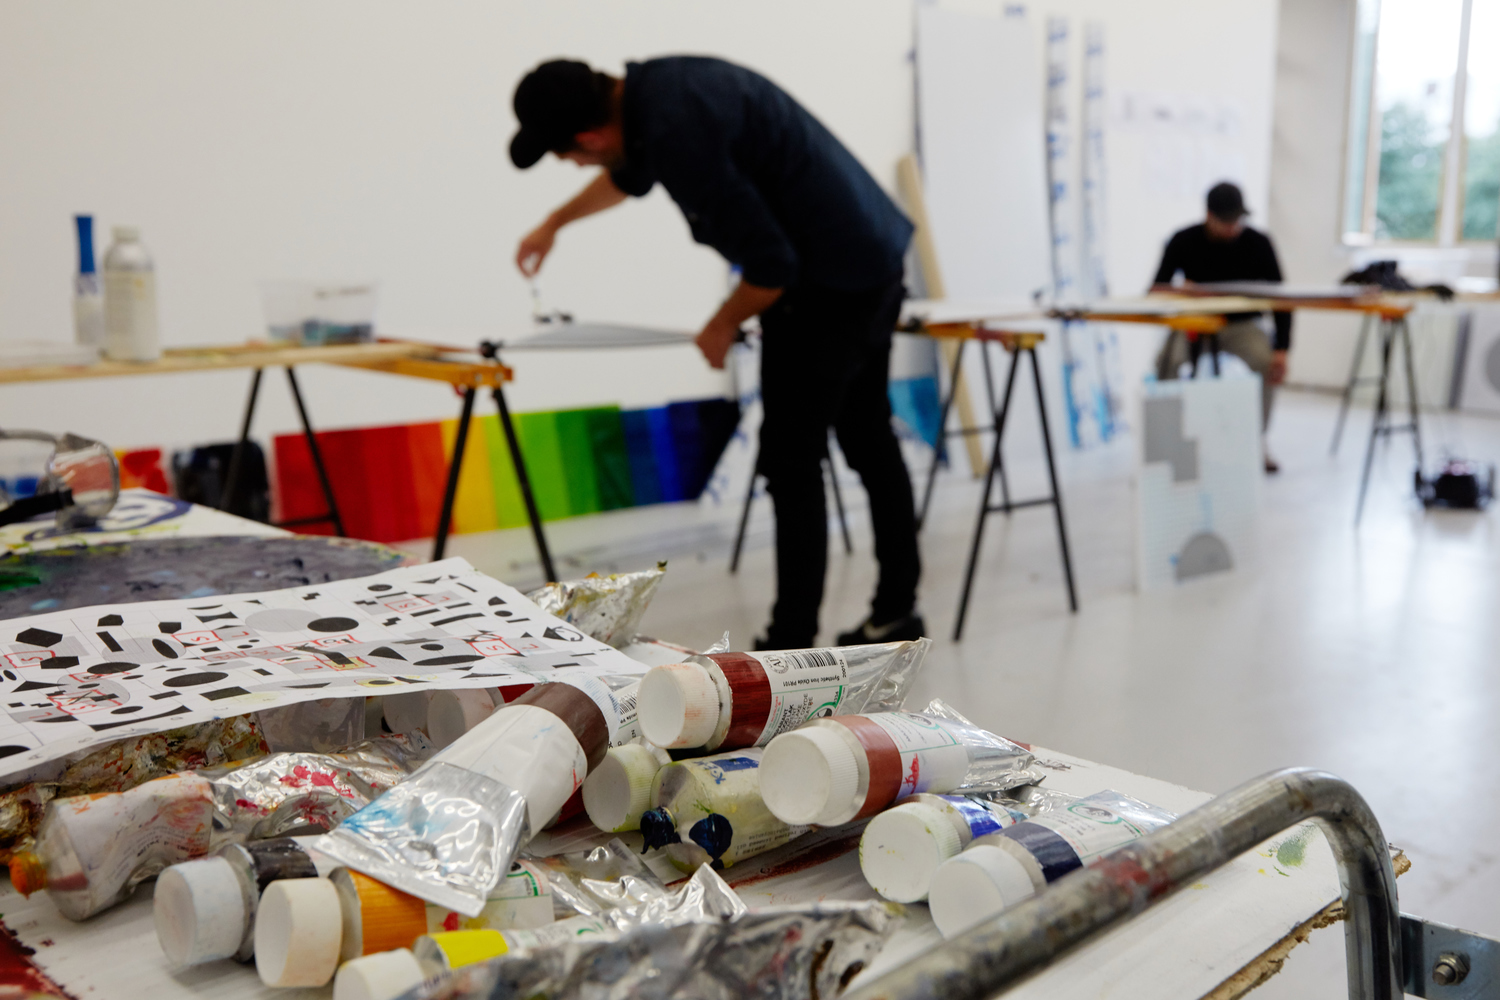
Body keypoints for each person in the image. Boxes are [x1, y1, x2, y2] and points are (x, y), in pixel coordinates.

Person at [508, 57, 924, 648]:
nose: (571, 165)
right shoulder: (655, 95)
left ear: (591, 137)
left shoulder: (677, 134)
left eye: (566, 155)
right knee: (865, 435)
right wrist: (554, 223)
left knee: (792, 457)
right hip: (866, 257)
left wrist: (721, 323)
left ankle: (790, 647)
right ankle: (897, 611)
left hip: (827, 286)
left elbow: (772, 268)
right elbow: (627, 177)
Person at [1151, 182, 1291, 472]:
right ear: (1208, 215)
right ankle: (1168, 443)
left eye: (1236, 221)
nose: (1231, 228)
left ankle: (1257, 440)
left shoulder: (1259, 243)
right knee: (1167, 362)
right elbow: (1155, 290)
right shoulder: (1183, 240)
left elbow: (1282, 299)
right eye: (1224, 222)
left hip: (1242, 326)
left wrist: (1282, 349)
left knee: (1266, 364)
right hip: (1195, 323)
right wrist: (1180, 292)